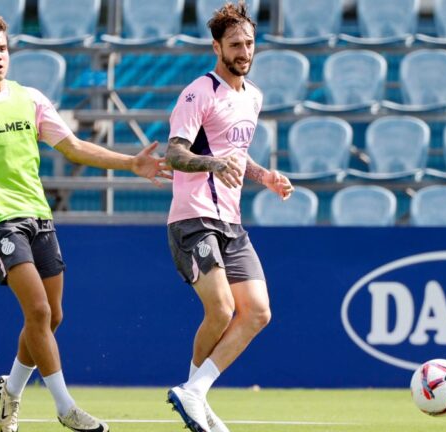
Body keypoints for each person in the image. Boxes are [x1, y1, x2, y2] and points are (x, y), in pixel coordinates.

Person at [0, 14, 170, 432]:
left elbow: (72, 147)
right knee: (36, 309)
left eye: (2, 48)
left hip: (39, 216)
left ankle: (11, 390)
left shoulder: (30, 98)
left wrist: (131, 163)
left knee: (52, 318)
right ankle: (65, 406)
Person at [163, 2, 294, 432]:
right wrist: (213, 163)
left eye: (250, 43)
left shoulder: (252, 96)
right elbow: (175, 153)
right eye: (235, 44)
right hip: (193, 218)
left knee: (257, 312)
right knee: (220, 310)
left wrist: (265, 176)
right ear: (216, 46)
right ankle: (194, 394)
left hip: (231, 222)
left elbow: (239, 156)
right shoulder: (198, 92)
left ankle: (195, 392)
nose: (244, 51)